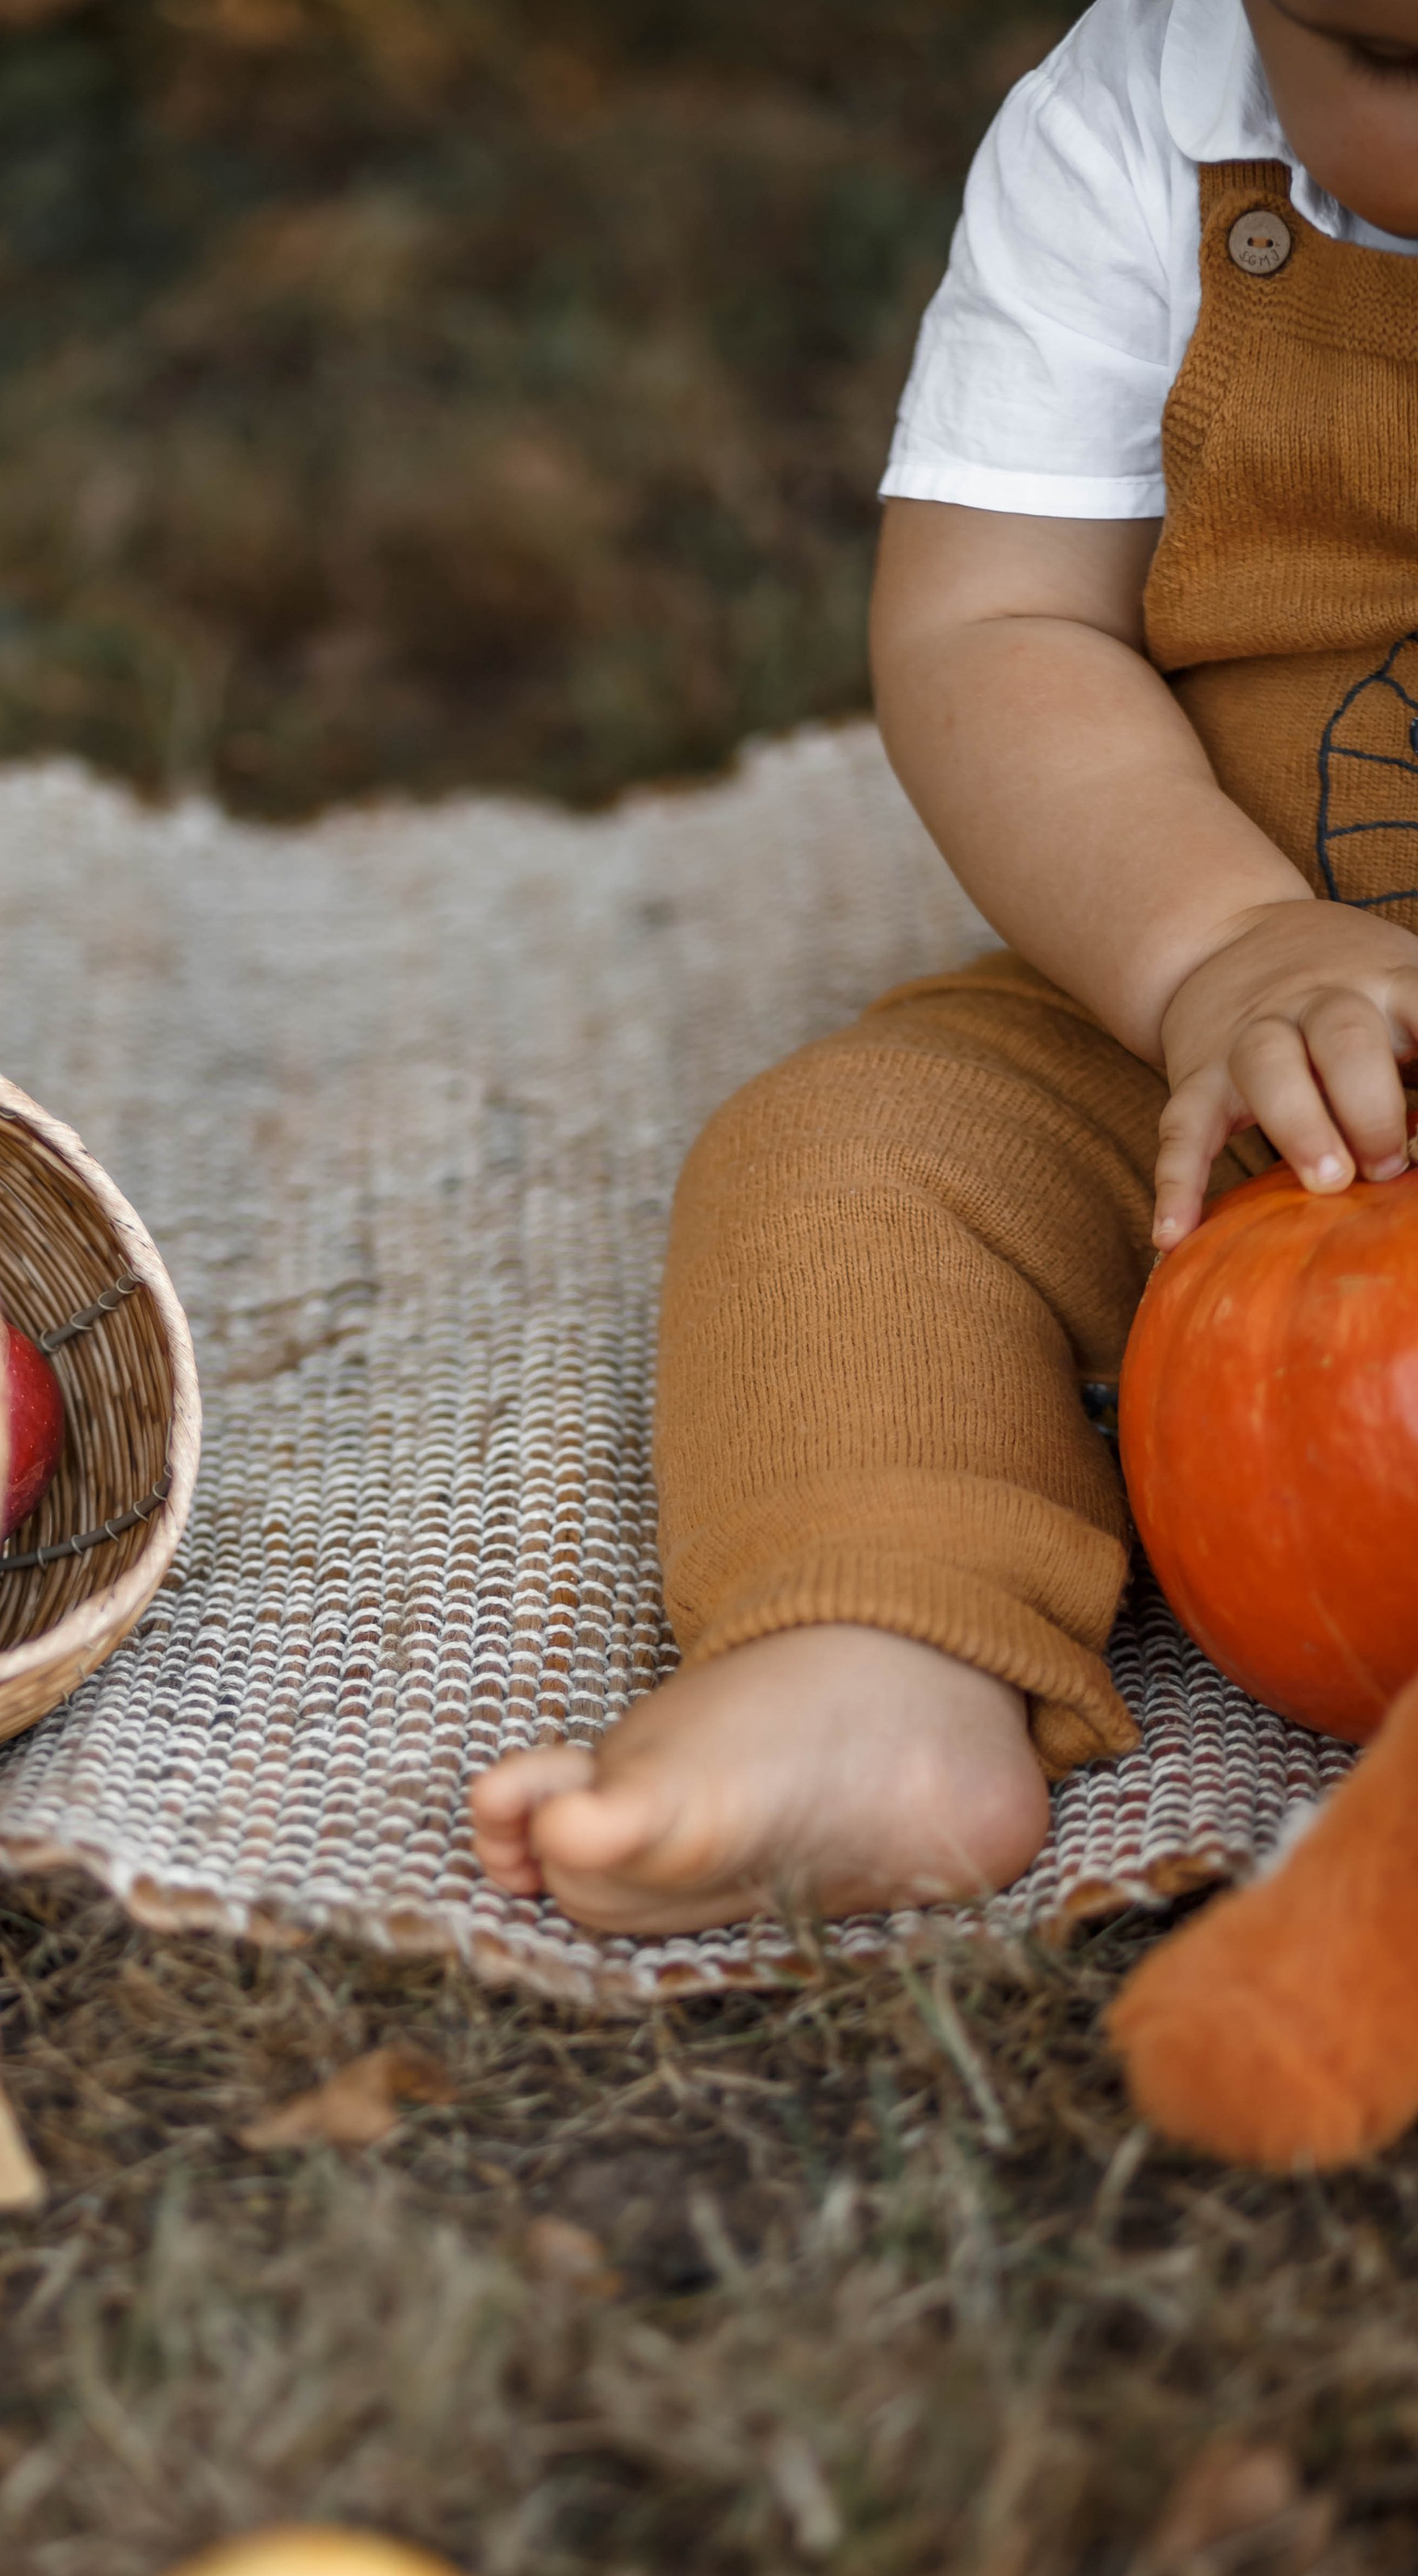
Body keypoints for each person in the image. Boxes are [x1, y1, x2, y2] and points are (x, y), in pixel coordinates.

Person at [472, 0, 1418, 1936]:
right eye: (1398, 67)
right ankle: (880, 1652)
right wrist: (1215, 947)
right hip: (1212, 1036)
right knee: (848, 1168)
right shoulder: (1130, 135)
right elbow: (994, 623)